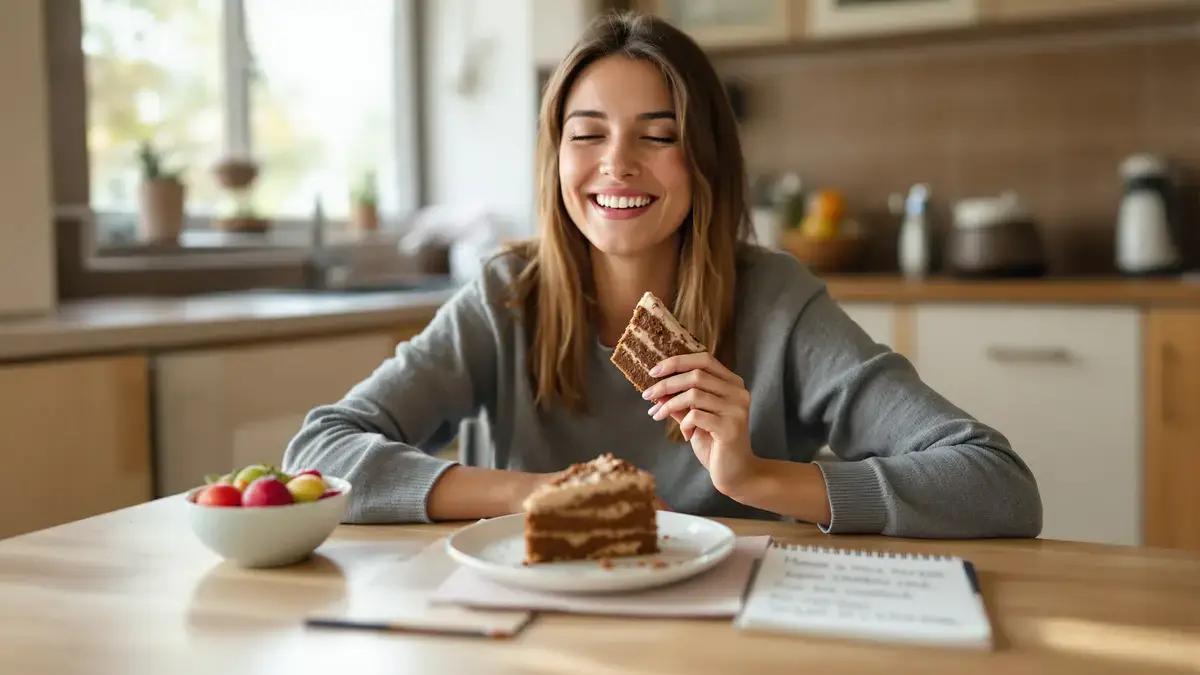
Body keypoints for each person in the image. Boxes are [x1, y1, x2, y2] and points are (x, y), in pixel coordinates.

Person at [282, 10, 1042, 539]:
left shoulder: (776, 303)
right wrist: (542, 494)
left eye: (658, 135)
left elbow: (997, 484)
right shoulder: (507, 296)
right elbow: (318, 451)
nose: (616, 164)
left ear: (705, 159)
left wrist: (757, 479)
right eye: (587, 135)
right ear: (556, 159)